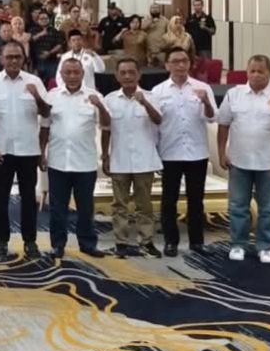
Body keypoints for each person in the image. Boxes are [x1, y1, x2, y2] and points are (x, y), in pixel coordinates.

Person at [216, 54, 270, 265]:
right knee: (238, 206)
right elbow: (223, 125)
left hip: (268, 161)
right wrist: (222, 152)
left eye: (261, 71)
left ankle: (265, 247)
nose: (256, 75)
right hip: (239, 160)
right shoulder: (234, 94)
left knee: (268, 207)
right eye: (252, 71)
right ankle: (238, 244)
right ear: (247, 72)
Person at [0, 40, 50, 259]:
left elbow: (47, 113)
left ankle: (30, 242)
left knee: (28, 199)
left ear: (23, 59)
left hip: (29, 150)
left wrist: (36, 96)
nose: (13, 61)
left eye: (17, 57)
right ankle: (1, 242)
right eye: (9, 57)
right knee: (0, 198)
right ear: (1, 59)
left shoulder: (34, 81)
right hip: (2, 151)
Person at [41, 58, 110, 259]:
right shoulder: (52, 96)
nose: (72, 76)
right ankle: (58, 245)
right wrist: (41, 153)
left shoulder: (95, 96)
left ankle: (87, 244)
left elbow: (107, 125)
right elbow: (44, 127)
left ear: (82, 74)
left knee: (85, 208)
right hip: (58, 161)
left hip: (85, 162)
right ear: (61, 74)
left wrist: (100, 106)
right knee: (57, 208)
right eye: (68, 72)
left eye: (76, 72)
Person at [151, 48, 217, 256]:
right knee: (168, 200)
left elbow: (211, 117)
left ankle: (197, 242)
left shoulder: (202, 87)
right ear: (167, 65)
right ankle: (171, 241)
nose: (180, 65)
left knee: (196, 200)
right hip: (169, 152)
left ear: (190, 64)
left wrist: (206, 101)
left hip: (196, 152)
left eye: (184, 61)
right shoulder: (158, 91)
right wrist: (155, 153)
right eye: (175, 61)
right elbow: (154, 126)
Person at [101, 58, 163, 258]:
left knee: (144, 205)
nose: (127, 76)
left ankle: (147, 242)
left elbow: (159, 120)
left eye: (131, 72)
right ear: (117, 76)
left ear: (139, 75)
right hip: (119, 159)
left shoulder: (151, 96)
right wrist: (105, 155)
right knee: (119, 205)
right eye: (123, 73)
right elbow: (106, 130)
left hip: (144, 160)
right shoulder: (110, 99)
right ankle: (121, 242)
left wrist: (144, 103)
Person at [29, 10, 64, 83]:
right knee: (37, 83)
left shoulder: (54, 31)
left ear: (49, 20)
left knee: (52, 82)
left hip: (51, 61)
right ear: (37, 20)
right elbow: (30, 40)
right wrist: (41, 34)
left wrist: (49, 53)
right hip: (37, 62)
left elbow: (59, 44)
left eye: (46, 18)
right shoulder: (32, 30)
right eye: (41, 19)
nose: (44, 20)